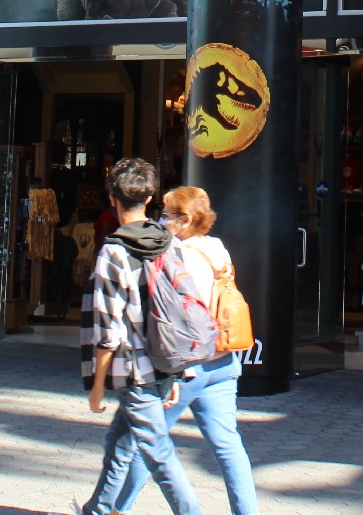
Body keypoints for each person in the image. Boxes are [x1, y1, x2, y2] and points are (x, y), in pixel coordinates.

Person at [111, 186, 257, 515]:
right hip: (223, 361)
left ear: (186, 219)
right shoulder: (217, 249)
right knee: (228, 446)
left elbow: (173, 318)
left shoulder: (177, 254)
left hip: (187, 366)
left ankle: (115, 508)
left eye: (167, 214)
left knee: (146, 440)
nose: (161, 220)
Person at [73, 157, 204, 515]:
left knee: (159, 455)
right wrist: (178, 369)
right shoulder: (168, 242)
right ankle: (98, 509)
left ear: (112, 199)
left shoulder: (114, 251)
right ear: (149, 199)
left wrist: (97, 385)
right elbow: (182, 309)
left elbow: (107, 330)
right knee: (120, 443)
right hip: (163, 363)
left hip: (134, 371)